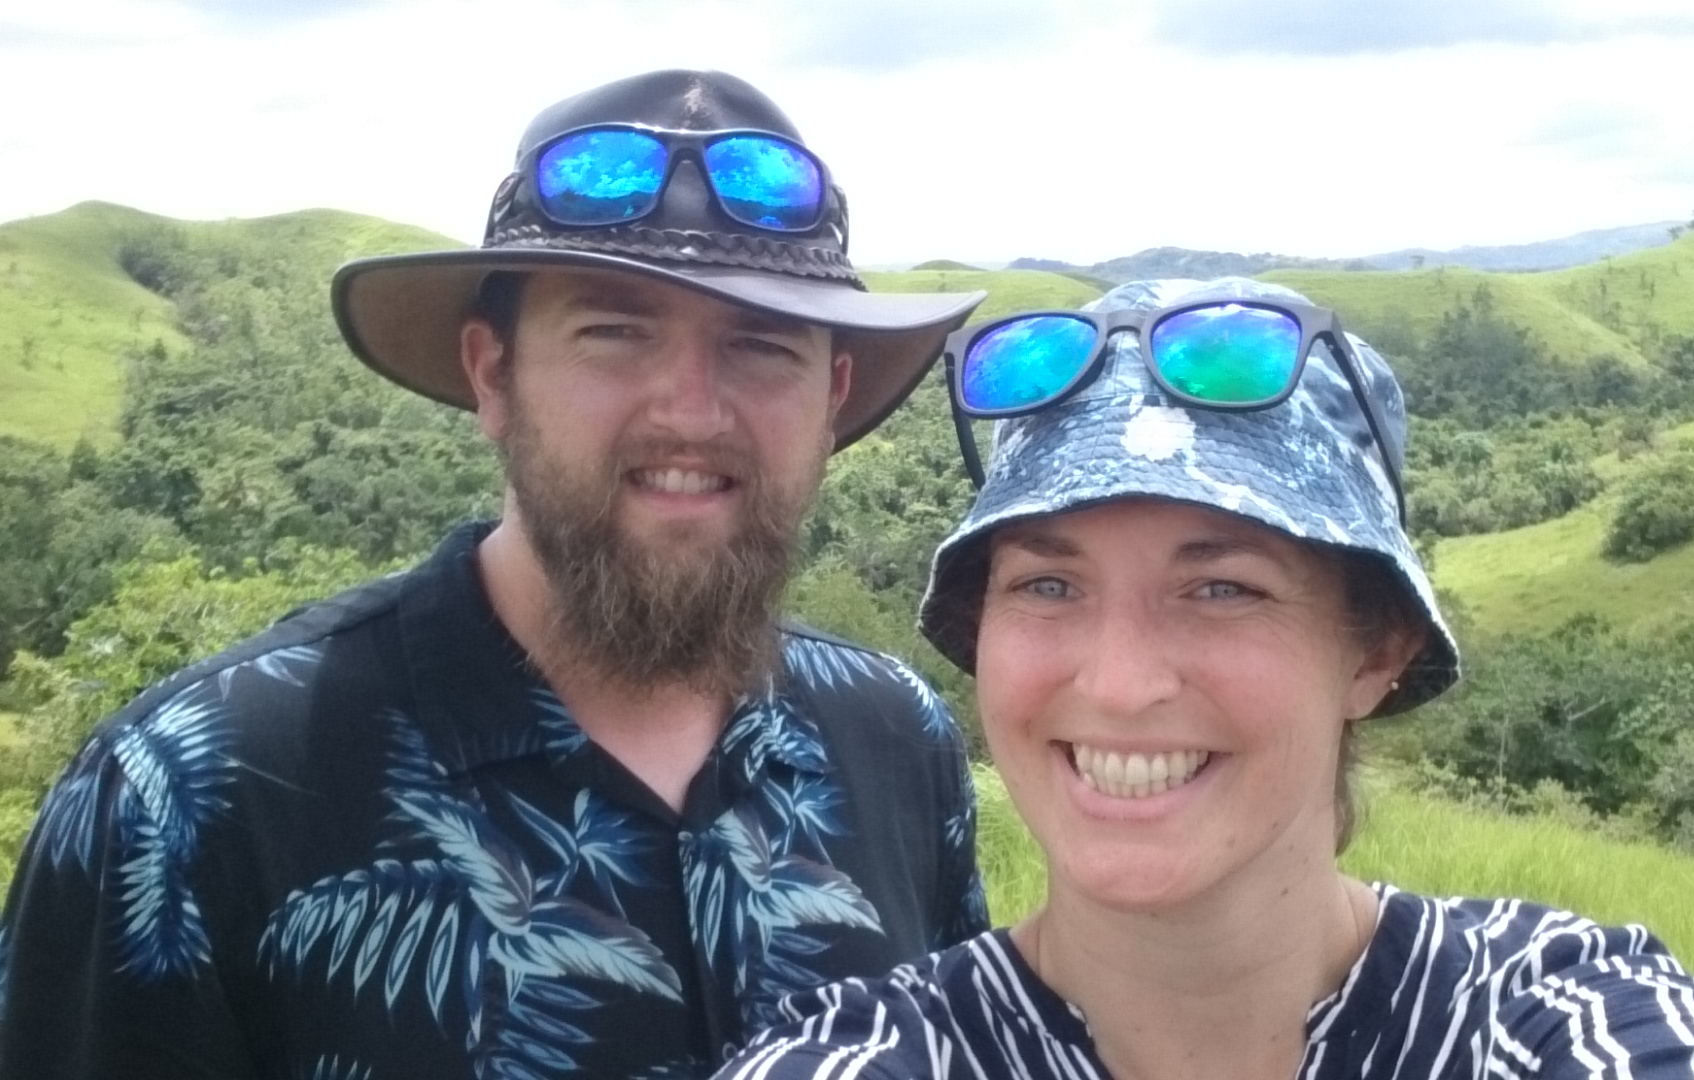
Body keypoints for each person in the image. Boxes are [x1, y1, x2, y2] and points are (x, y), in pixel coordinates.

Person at [0, 70, 992, 1079]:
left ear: (831, 399)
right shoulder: (190, 798)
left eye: (763, 346)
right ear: (493, 374)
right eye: (614, 333)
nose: (692, 411)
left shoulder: (895, 741)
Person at [716, 278, 1694, 1079]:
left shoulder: (1548, 1023)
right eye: (1049, 586)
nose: (1122, 683)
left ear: (1376, 650)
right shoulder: (869, 1053)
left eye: (1221, 589)